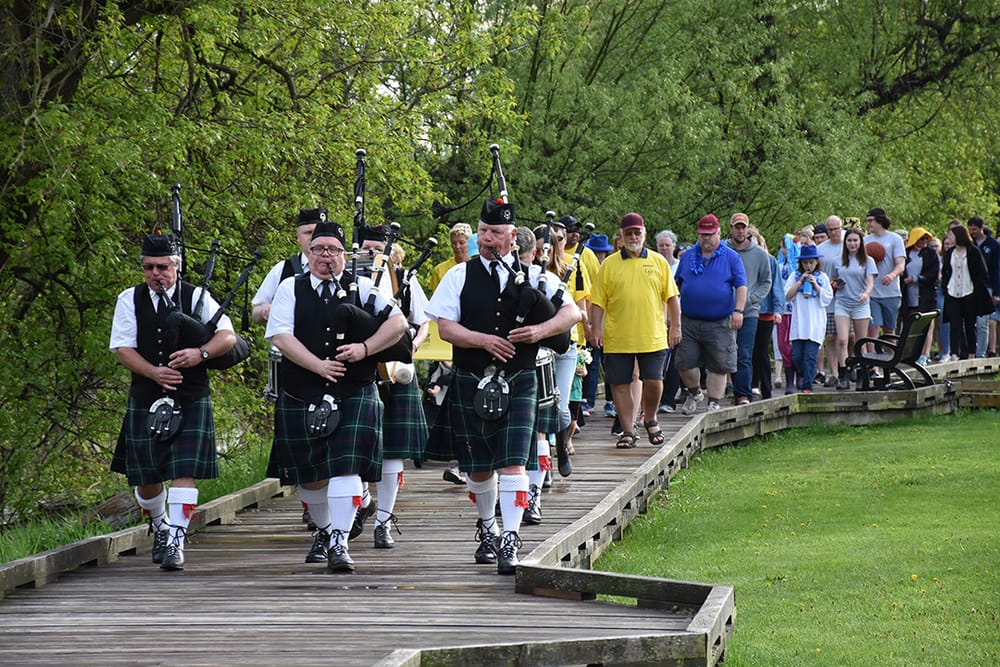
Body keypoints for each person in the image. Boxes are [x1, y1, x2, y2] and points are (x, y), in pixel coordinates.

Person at [424, 198, 580, 575]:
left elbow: (572, 313)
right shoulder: (459, 276)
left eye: (495, 233)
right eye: (483, 232)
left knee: (512, 463)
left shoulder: (536, 277)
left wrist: (540, 331)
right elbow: (445, 327)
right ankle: (487, 526)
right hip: (472, 376)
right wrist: (483, 341)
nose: (487, 239)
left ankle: (509, 537)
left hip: (520, 377)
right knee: (478, 469)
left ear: (513, 237)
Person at [265, 219, 407, 573]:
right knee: (310, 476)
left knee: (346, 467)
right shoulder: (290, 288)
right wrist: (318, 366)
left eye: (331, 250)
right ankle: (327, 532)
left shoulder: (362, 287)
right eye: (317, 249)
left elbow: (399, 324)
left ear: (345, 255)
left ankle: (340, 542)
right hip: (302, 389)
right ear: (308, 253)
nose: (324, 257)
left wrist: (364, 347)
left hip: (354, 389)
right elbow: (280, 336)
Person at [110, 233, 237, 571]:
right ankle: (162, 526)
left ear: (176, 266)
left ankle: (176, 541)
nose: (156, 274)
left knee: (184, 470)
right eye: (149, 267)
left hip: (190, 395)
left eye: (163, 267)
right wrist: (154, 372)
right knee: (146, 477)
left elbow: (228, 336)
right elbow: (123, 349)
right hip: (147, 394)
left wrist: (201, 353)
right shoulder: (129, 299)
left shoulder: (197, 296)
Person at [355, 224, 431, 549]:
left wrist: (412, 345)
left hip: (396, 372)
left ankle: (384, 521)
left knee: (393, 452)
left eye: (378, 249)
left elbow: (423, 322)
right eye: (367, 249)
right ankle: (361, 500)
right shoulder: (347, 280)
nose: (373, 254)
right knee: (353, 446)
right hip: (358, 371)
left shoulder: (405, 279)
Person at [251, 206, 321, 528]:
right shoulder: (284, 269)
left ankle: (347, 498)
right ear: (298, 237)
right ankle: (313, 505)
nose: (312, 238)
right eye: (307, 233)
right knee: (301, 445)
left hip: (331, 365)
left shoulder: (340, 266)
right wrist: (267, 311)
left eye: (317, 232)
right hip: (291, 366)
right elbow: (253, 310)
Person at [589, 212, 681, 448]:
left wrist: (675, 327)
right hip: (618, 336)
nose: (633, 237)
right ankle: (628, 430)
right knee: (618, 384)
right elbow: (598, 301)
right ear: (621, 236)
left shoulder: (659, 262)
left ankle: (650, 418)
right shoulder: (609, 265)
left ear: (644, 234)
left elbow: (672, 297)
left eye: (637, 232)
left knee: (654, 380)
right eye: (628, 233)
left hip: (652, 335)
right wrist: (595, 330)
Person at [672, 214, 746, 414]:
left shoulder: (731, 256)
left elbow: (741, 285)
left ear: (719, 233)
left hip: (720, 320)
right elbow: (674, 288)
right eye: (702, 234)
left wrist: (738, 310)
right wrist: (671, 316)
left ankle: (714, 401)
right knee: (684, 361)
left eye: (710, 234)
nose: (706, 238)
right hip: (688, 319)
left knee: (719, 363)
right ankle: (695, 392)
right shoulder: (687, 257)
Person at [726, 213, 772, 406]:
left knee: (745, 352)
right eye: (737, 226)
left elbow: (766, 282)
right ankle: (731, 390)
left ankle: (743, 394)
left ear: (747, 228)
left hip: (750, 311)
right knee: (727, 352)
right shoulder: (722, 249)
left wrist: (750, 300)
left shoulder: (760, 254)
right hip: (724, 309)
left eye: (743, 227)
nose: (740, 230)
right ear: (731, 228)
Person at [831, 228, 877, 389]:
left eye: (855, 240)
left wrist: (866, 294)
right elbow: (831, 279)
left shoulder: (868, 261)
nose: (852, 243)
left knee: (860, 342)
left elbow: (871, 282)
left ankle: (861, 374)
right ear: (845, 243)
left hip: (860, 304)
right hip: (842, 303)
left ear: (860, 242)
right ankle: (842, 374)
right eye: (849, 240)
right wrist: (835, 284)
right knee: (842, 340)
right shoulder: (838, 261)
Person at [784, 244, 833, 393]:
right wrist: (800, 282)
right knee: (797, 356)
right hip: (799, 324)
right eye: (805, 263)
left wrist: (816, 286)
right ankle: (805, 376)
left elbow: (827, 298)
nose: (808, 265)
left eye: (811, 262)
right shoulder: (794, 276)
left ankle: (807, 386)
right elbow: (787, 296)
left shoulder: (822, 277)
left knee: (810, 356)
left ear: (816, 262)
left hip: (815, 323)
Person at [941, 224, 994, 360]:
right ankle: (954, 354)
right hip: (952, 292)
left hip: (969, 292)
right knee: (954, 323)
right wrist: (945, 288)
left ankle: (971, 353)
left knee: (969, 325)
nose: (949, 237)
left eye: (951, 235)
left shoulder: (973, 251)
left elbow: (982, 272)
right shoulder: (950, 252)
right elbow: (946, 271)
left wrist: (976, 290)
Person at [748, 227, 784, 399]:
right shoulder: (737, 258)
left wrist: (778, 309)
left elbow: (776, 286)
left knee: (761, 351)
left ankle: (766, 389)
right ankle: (750, 385)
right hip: (746, 311)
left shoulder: (770, 260)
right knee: (747, 350)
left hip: (765, 312)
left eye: (754, 238)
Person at [582, 233, 614, 416]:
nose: (598, 255)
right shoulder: (587, 264)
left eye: (601, 252)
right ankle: (588, 400)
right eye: (595, 251)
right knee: (591, 361)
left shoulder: (611, 268)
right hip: (593, 317)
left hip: (611, 320)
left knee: (610, 362)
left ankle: (611, 402)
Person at [864, 208, 906, 338]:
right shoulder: (865, 241)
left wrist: (892, 275)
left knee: (889, 330)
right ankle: (872, 357)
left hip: (891, 292)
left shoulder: (895, 239)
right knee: (873, 327)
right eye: (867, 221)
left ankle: (890, 356)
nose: (869, 224)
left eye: (871, 220)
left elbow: (901, 264)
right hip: (872, 291)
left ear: (880, 220)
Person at [902, 227, 940, 364]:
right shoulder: (906, 253)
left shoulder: (931, 254)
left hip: (926, 295)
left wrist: (918, 278)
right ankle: (910, 354)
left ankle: (924, 354)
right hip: (909, 295)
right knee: (911, 326)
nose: (924, 241)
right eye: (921, 238)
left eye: (926, 239)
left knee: (927, 325)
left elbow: (933, 273)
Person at [816, 215, 845, 387]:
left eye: (836, 229)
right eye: (830, 229)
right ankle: (834, 372)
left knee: (848, 336)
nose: (834, 232)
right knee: (831, 337)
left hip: (848, 297)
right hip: (829, 298)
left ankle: (848, 367)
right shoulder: (821, 249)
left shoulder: (848, 245)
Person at [967, 216, 999, 357]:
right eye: (970, 229)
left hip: (987, 286)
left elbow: (997, 269)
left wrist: (996, 292)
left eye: (974, 229)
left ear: (981, 228)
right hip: (970, 286)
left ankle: (981, 353)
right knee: (969, 320)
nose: (972, 232)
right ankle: (970, 351)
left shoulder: (993, 245)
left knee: (983, 322)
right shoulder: (969, 243)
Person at [428, 222, 472, 292]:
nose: (457, 247)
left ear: (470, 243)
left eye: (461, 243)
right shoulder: (440, 270)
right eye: (454, 243)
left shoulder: (478, 267)